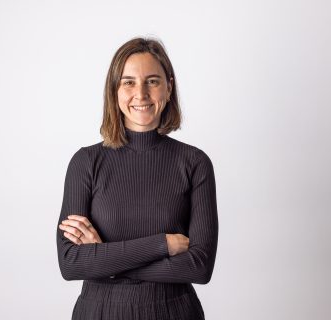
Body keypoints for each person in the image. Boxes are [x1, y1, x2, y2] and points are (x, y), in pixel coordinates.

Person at [56, 36, 218, 320]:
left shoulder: (194, 163)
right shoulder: (86, 162)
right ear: (114, 91)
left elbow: (199, 267)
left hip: (174, 313)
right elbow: (71, 263)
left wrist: (104, 258)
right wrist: (162, 245)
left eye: (152, 81)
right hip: (100, 312)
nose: (140, 93)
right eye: (128, 82)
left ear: (169, 87)